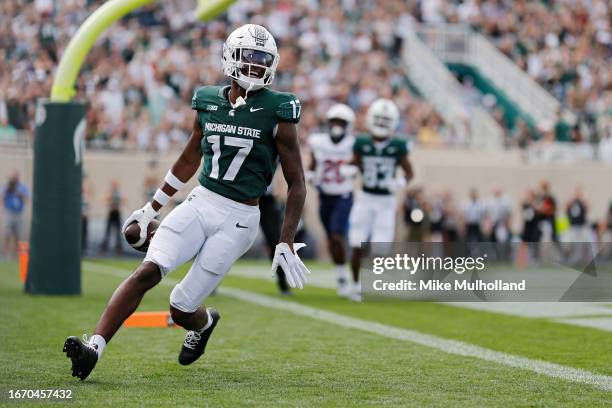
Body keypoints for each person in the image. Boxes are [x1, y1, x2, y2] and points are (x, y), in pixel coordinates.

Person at [63, 24, 309, 381]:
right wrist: (152, 208)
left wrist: (285, 238)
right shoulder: (208, 100)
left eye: (263, 60)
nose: (256, 66)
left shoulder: (279, 110)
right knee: (148, 270)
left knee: (180, 308)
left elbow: (297, 181)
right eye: (250, 57)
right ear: (231, 57)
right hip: (201, 201)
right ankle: (94, 349)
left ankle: (205, 322)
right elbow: (188, 159)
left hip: (240, 218)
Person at [346, 99, 413, 301]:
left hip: (385, 202)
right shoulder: (361, 143)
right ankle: (356, 285)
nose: (382, 124)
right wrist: (347, 170)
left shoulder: (399, 146)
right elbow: (353, 164)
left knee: (380, 248)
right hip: (365, 198)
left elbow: (410, 173)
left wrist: (399, 183)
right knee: (357, 242)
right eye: (379, 119)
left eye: (386, 120)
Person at [307, 104, 356, 296]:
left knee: (337, 235)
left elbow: (358, 165)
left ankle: (344, 275)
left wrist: (353, 170)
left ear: (347, 125)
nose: (337, 126)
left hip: (343, 194)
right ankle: (340, 272)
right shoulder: (318, 142)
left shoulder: (352, 144)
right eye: (334, 122)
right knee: (330, 238)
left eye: (341, 122)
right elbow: (311, 166)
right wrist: (310, 176)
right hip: (324, 195)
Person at [2, 172, 29, 259]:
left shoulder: (23, 187)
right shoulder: (7, 186)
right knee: (7, 234)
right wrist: (8, 190)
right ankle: (5, 255)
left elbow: (27, 200)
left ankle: (15, 255)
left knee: (17, 235)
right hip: (9, 213)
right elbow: (1, 198)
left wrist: (19, 193)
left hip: (18, 214)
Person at [100, 180, 125, 255]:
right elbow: (104, 200)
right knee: (107, 232)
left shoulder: (119, 193)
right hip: (111, 213)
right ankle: (104, 248)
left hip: (117, 213)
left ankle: (118, 249)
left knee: (118, 233)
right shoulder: (110, 193)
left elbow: (124, 200)